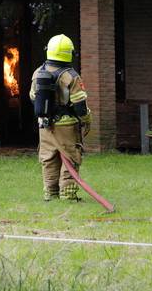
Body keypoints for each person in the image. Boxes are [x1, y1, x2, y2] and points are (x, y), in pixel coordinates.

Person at [29, 34, 91, 201]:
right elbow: (80, 106)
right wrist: (87, 120)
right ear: (69, 53)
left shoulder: (38, 73)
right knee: (71, 158)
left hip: (45, 125)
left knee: (48, 159)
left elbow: (33, 97)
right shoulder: (71, 76)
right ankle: (68, 194)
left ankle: (50, 193)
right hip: (67, 127)